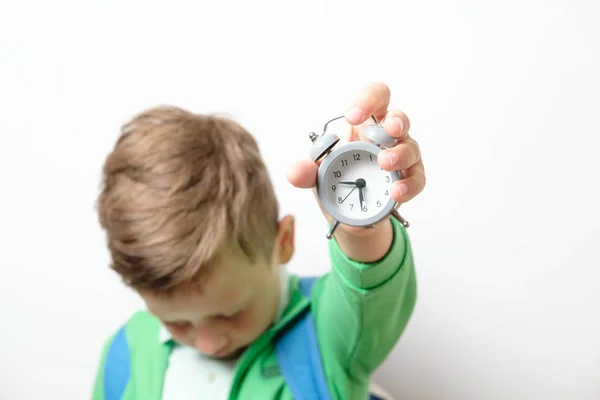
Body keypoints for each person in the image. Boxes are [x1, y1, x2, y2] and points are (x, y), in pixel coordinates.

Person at [91, 82, 426, 400]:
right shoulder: (125, 354)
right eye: (176, 323)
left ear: (282, 241)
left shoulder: (325, 333)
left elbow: (369, 290)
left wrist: (357, 223)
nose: (208, 344)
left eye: (231, 313)